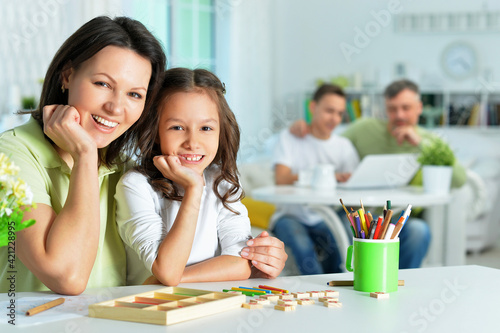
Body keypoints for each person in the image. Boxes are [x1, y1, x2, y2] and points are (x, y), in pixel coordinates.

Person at [0, 16, 284, 295]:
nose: (115, 107)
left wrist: (258, 260)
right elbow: (67, 278)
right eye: (102, 84)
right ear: (67, 75)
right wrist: (85, 155)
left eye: (135, 94)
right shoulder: (11, 157)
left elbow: (164, 263)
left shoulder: (120, 165)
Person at [115, 68, 286, 286]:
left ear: (221, 132)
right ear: (156, 132)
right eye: (177, 127)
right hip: (152, 309)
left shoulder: (222, 180)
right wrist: (194, 189)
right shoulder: (135, 185)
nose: (192, 142)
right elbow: (166, 270)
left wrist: (177, 278)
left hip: (210, 304)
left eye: (206, 128)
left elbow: (241, 263)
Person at [290, 79, 467, 268]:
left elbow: (459, 179)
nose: (399, 115)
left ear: (419, 107)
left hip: (398, 220)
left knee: (419, 231)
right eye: (392, 109)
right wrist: (308, 127)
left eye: (406, 108)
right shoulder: (365, 129)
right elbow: (329, 145)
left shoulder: (431, 141)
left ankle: (395, 285)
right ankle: (352, 281)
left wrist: (420, 143)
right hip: (361, 215)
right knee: (341, 226)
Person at [270, 84, 359, 275]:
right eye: (329, 110)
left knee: (338, 247)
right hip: (290, 216)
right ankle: (317, 291)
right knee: (301, 245)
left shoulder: (344, 146)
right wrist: (327, 177)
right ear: (313, 107)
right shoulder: (290, 138)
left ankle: (333, 291)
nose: (334, 118)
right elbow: (281, 178)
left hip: (326, 216)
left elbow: (354, 185)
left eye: (339, 113)